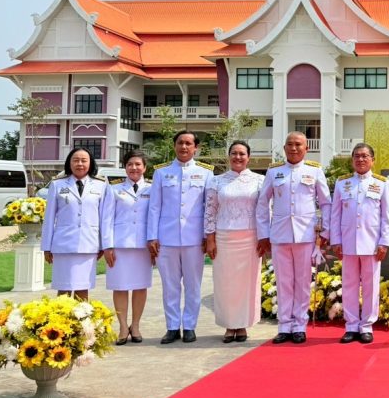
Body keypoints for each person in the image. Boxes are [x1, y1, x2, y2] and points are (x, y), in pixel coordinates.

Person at [256, 132, 331, 345]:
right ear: (284, 148)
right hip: (279, 235)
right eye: (290, 144)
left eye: (298, 144)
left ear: (307, 148)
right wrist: (263, 234)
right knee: (284, 282)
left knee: (303, 282)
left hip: (306, 235)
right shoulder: (274, 172)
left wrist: (325, 232)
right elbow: (263, 203)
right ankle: (284, 326)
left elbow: (326, 203)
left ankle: (299, 326)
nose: (294, 148)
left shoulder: (315, 171)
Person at [147, 131, 214, 344]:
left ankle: (190, 326)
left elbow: (209, 207)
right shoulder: (161, 173)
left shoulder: (206, 173)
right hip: (166, 238)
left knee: (193, 285)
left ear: (196, 148)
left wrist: (207, 235)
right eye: (180, 143)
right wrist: (152, 236)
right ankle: (173, 327)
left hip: (194, 239)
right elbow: (154, 207)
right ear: (174, 146)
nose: (184, 147)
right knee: (170, 286)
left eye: (188, 143)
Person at [330, 143, 389, 344]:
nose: (360, 159)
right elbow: (335, 215)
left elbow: (386, 217)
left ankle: (366, 326)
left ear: (373, 160)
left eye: (365, 156)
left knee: (370, 286)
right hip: (348, 242)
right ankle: (351, 325)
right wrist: (336, 240)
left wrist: (384, 242)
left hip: (372, 243)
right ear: (352, 160)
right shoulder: (343, 183)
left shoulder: (382, 183)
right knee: (348, 285)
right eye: (357, 156)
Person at [205, 141, 266, 343]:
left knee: (247, 284)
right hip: (224, 238)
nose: (237, 157)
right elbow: (210, 211)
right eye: (234, 153)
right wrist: (210, 239)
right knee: (225, 284)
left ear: (249, 157)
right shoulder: (216, 181)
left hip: (250, 238)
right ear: (229, 156)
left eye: (242, 154)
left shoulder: (260, 180)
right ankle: (229, 325)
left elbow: (265, 211)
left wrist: (264, 237)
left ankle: (243, 325)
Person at [41, 147, 112, 300]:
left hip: (88, 245)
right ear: (69, 163)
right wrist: (46, 247)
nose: (80, 164)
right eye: (76, 160)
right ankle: (61, 316)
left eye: (84, 160)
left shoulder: (101, 185)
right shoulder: (57, 184)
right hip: (63, 245)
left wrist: (104, 245)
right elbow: (49, 218)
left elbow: (104, 219)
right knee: (63, 291)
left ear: (90, 163)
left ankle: (81, 316)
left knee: (82, 290)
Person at [102, 151, 154, 345]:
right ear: (125, 167)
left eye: (138, 164)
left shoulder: (152, 188)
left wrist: (154, 241)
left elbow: (155, 216)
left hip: (143, 246)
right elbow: (106, 219)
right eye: (130, 164)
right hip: (120, 245)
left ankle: (136, 325)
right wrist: (107, 245)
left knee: (140, 286)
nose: (134, 168)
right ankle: (123, 326)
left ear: (144, 168)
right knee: (120, 286)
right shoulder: (114, 189)